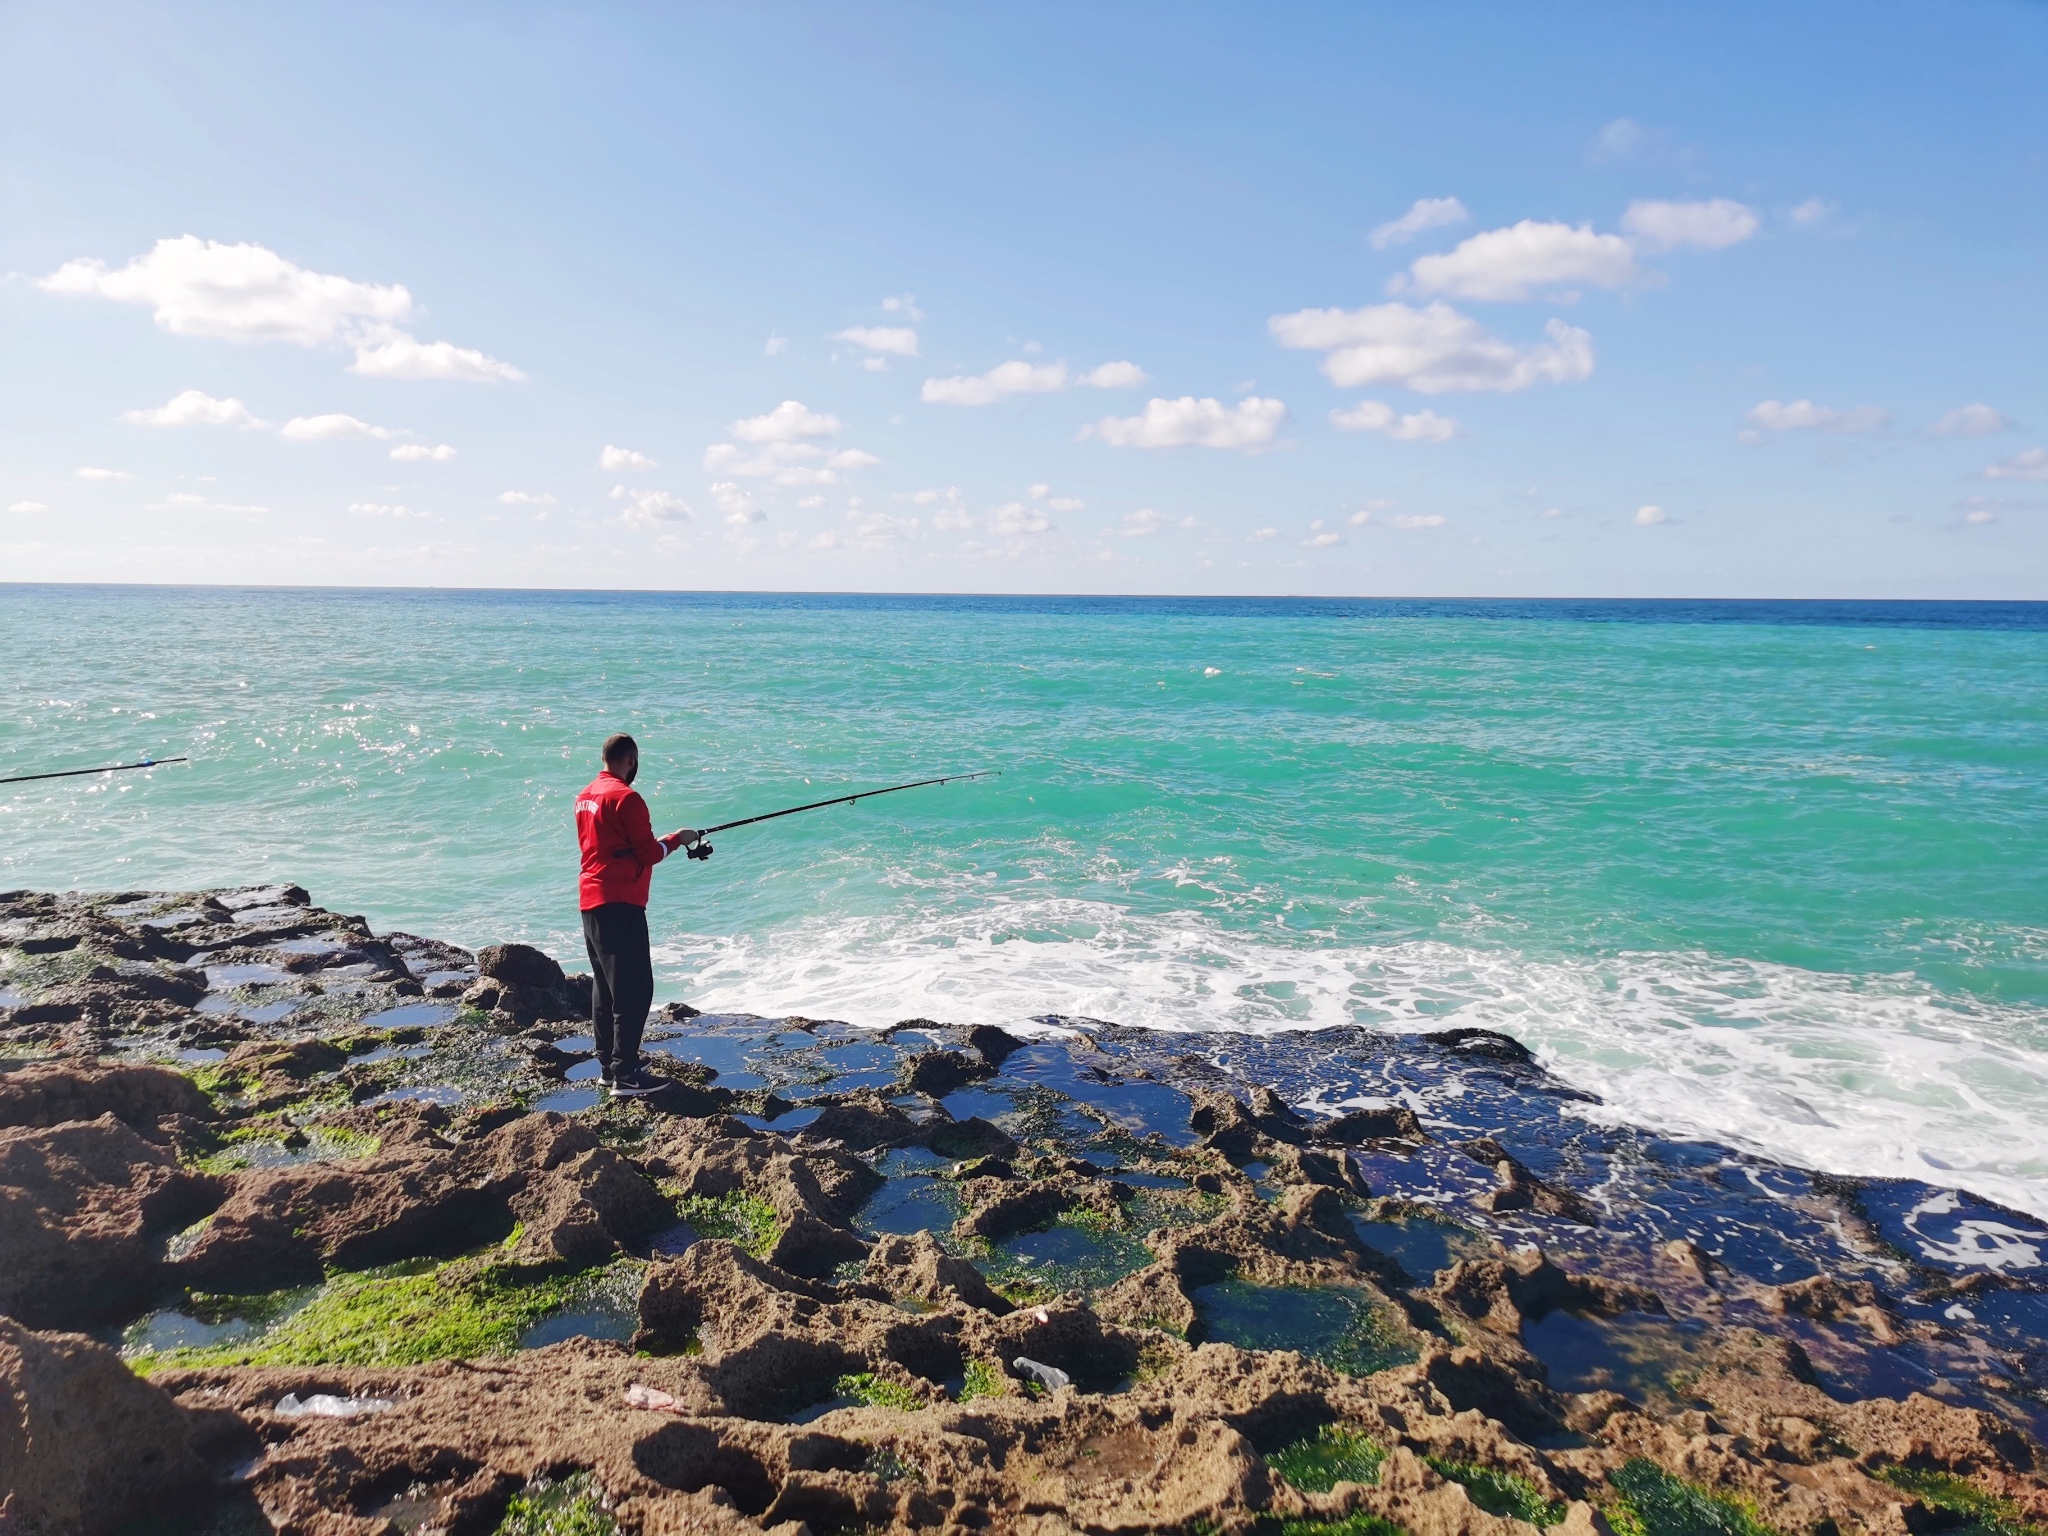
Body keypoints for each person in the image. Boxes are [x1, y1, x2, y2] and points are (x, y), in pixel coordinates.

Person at [574, 733, 708, 1095]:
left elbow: (618, 848)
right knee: (634, 990)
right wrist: (678, 839)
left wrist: (670, 840)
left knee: (605, 989)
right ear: (631, 760)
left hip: (591, 900)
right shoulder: (627, 798)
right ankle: (626, 1076)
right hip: (620, 903)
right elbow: (648, 854)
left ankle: (608, 1066)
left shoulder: (586, 796)